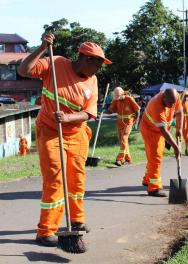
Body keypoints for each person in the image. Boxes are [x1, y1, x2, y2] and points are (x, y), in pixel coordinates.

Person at [17, 32, 112, 247]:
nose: (99, 69)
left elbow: (90, 113)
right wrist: (42, 47)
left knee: (77, 178)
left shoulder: (93, 80)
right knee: (55, 179)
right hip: (51, 131)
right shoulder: (56, 63)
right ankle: (45, 231)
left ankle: (76, 220)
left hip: (77, 133)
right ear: (86, 59)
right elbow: (23, 70)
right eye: (98, 64)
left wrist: (69, 117)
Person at [140, 88, 183, 197]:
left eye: (174, 103)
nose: (172, 105)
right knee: (156, 157)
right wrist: (176, 148)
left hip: (161, 129)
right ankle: (153, 188)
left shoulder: (174, 97)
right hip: (150, 130)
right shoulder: (156, 105)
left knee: (154, 156)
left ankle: (147, 179)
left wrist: (179, 129)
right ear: (164, 97)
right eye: (170, 103)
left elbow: (179, 112)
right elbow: (163, 131)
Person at [108, 87, 140, 166]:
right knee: (122, 141)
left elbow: (138, 110)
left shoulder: (129, 99)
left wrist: (136, 123)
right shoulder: (116, 100)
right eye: (116, 97)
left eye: (118, 97)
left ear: (123, 94)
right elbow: (111, 110)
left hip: (128, 122)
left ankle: (119, 159)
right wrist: (103, 110)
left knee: (124, 138)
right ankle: (127, 158)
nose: (117, 99)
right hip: (119, 123)